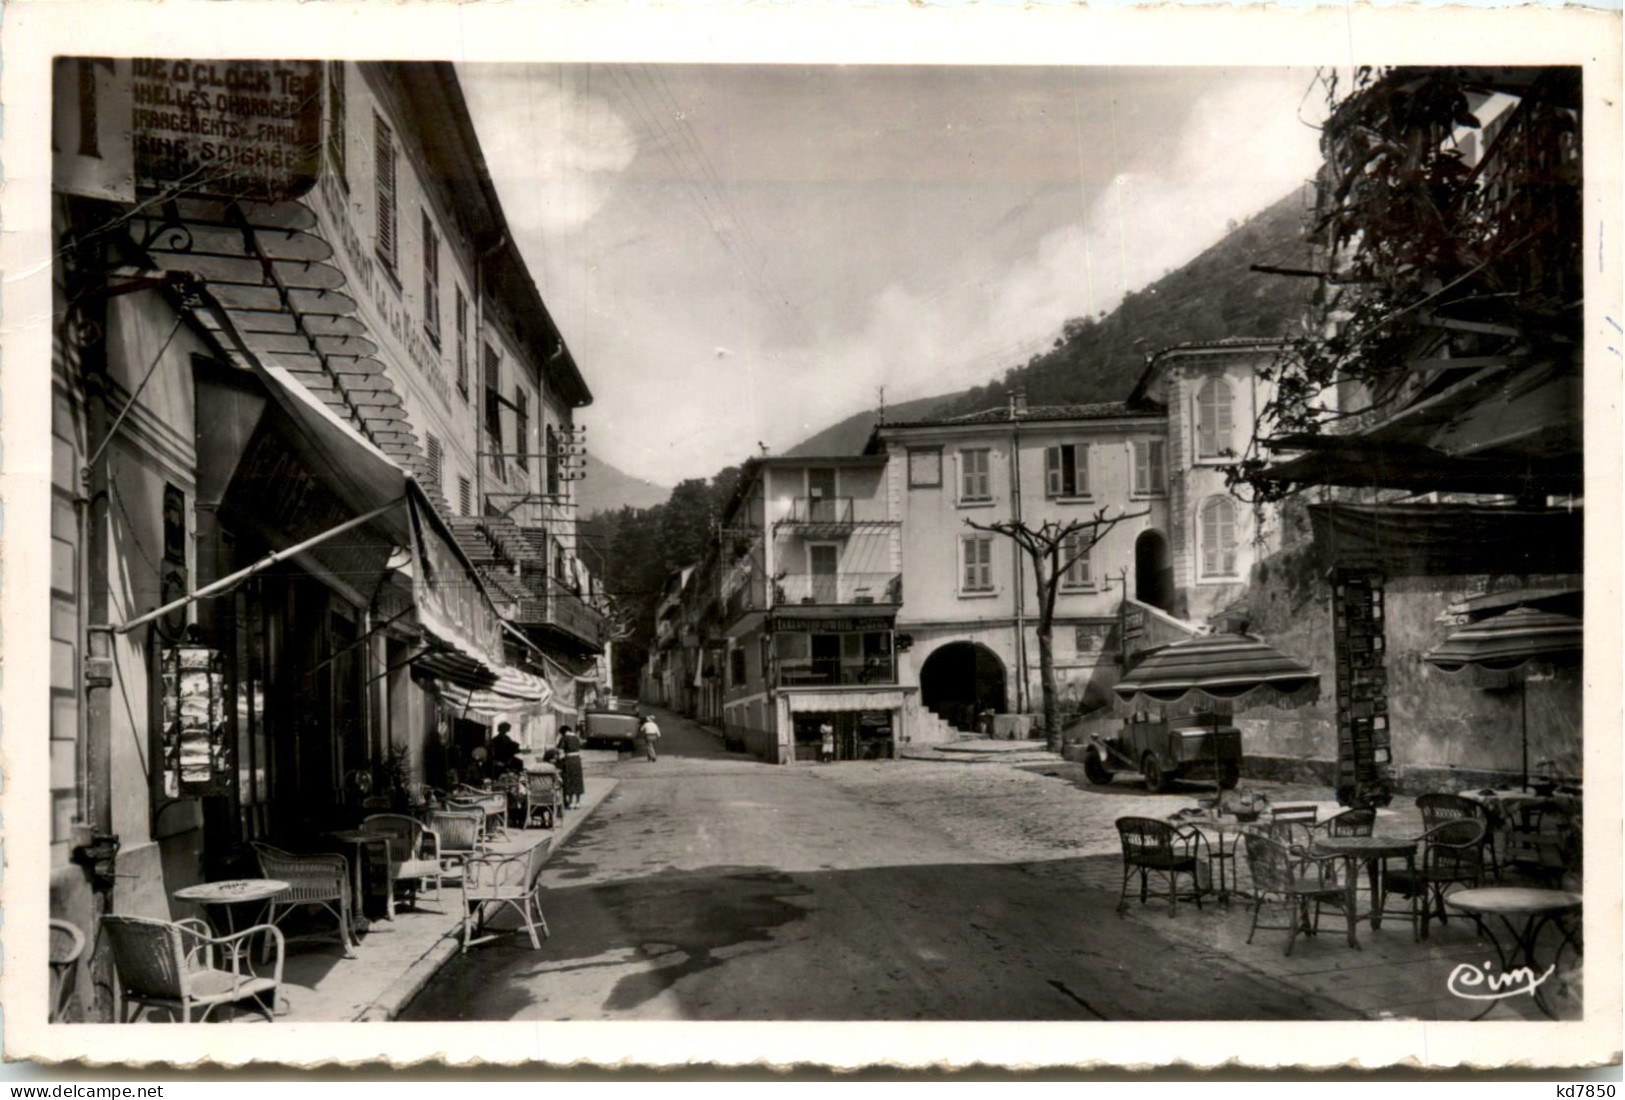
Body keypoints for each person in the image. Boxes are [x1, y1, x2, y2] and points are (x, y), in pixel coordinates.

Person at [558, 724, 585, 809]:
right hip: (577, 760)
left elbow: (560, 750)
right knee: (577, 779)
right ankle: (578, 802)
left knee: (569, 780)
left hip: (569, 760)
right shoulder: (576, 738)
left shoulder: (564, 738)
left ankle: (570, 802)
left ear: (563, 732)